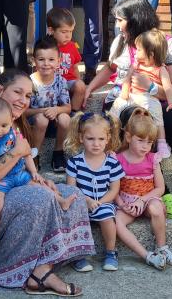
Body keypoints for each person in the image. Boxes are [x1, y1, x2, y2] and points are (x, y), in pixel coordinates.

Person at [0, 69, 92, 294]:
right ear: (0, 90)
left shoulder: (14, 125)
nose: (24, 101)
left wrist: (40, 179)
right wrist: (15, 153)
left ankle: (41, 270)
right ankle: (7, 273)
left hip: (4, 196)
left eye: (28, 96)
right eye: (18, 92)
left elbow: (17, 172)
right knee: (38, 198)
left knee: (73, 195)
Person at [85, 0, 172, 219]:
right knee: (136, 119)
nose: (118, 26)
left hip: (157, 100)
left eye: (120, 20)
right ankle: (162, 192)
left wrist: (150, 88)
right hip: (126, 100)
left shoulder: (166, 44)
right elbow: (110, 69)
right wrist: (90, 88)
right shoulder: (121, 42)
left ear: (135, 19)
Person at [0, 98, 75, 239]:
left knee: (41, 185)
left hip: (19, 173)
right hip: (0, 180)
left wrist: (34, 172)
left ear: (11, 120)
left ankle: (61, 201)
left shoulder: (15, 134)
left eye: (4, 125)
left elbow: (27, 154)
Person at [114, 108, 172, 270]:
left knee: (156, 208)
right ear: (128, 137)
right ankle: (147, 255)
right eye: (141, 140)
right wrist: (122, 204)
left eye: (150, 142)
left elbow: (160, 188)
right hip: (126, 202)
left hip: (148, 199)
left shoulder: (152, 159)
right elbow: (113, 188)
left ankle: (162, 248)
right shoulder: (118, 159)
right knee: (116, 221)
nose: (145, 146)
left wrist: (142, 200)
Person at [64, 112, 124, 273]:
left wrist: (100, 202)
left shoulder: (112, 163)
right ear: (81, 138)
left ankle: (111, 252)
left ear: (108, 139)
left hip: (103, 202)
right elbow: (71, 189)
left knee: (106, 217)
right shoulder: (75, 162)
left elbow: (114, 189)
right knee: (74, 216)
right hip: (81, 202)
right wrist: (87, 200)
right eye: (90, 139)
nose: (96, 144)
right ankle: (78, 255)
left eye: (101, 139)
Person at [109, 28, 172, 155]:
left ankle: (161, 143)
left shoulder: (160, 69)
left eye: (139, 50)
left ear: (151, 54)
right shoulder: (136, 65)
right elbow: (127, 78)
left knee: (158, 117)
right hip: (132, 96)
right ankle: (110, 135)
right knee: (116, 106)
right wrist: (124, 93)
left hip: (149, 98)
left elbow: (168, 87)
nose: (136, 53)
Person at [26, 35, 73, 171]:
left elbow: (67, 107)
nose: (46, 64)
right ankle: (34, 154)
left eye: (51, 59)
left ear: (58, 61)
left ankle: (58, 153)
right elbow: (24, 111)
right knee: (42, 120)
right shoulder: (29, 82)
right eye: (41, 59)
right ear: (34, 61)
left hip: (54, 121)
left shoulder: (61, 81)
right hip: (34, 123)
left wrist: (56, 110)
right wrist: (44, 112)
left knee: (65, 118)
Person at [46, 7, 88, 111]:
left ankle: (74, 112)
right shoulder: (46, 47)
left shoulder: (72, 46)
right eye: (64, 32)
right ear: (51, 30)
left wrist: (80, 88)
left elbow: (75, 68)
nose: (68, 35)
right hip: (51, 83)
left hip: (69, 82)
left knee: (81, 86)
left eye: (71, 31)